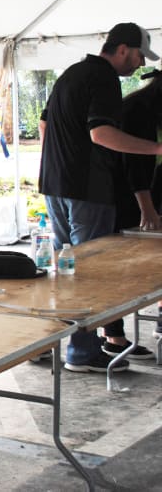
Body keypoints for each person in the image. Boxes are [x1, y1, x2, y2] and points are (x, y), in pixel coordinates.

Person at [39, 22, 162, 372]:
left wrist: (58, 162)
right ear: (122, 49)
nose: (139, 65)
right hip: (87, 190)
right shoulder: (105, 79)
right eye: (139, 56)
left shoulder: (71, 73)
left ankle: (46, 344)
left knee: (65, 270)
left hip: (55, 185)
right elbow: (101, 133)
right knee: (92, 272)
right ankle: (81, 351)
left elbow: (45, 125)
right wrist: (156, 147)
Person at [115, 69, 162, 342]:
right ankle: (114, 336)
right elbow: (133, 164)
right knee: (121, 266)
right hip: (126, 195)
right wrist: (147, 207)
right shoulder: (137, 109)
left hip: (152, 191)